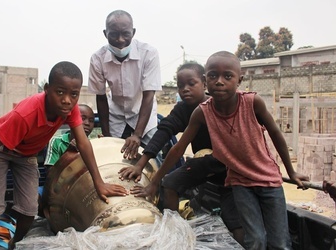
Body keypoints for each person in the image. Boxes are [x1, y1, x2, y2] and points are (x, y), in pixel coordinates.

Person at [0, 61, 127, 250]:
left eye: (73, 94)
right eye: (60, 92)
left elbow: (84, 144)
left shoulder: (69, 109)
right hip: (0, 151)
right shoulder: (26, 113)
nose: (67, 100)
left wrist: (99, 182)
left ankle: (14, 243)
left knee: (29, 210)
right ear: (47, 89)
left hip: (26, 155)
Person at [131, 51, 310, 250]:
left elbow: (276, 134)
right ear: (207, 80)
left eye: (227, 76)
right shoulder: (201, 112)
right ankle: (176, 236)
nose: (219, 82)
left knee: (278, 242)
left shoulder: (252, 103)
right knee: (255, 239)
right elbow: (176, 146)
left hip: (263, 177)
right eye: (213, 76)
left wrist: (290, 171)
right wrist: (154, 180)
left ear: (239, 80)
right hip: (238, 181)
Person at [119, 62, 244, 244]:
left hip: (231, 167)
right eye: (180, 86)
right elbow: (164, 131)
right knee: (170, 183)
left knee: (234, 219)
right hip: (205, 161)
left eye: (191, 84)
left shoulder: (219, 104)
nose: (185, 90)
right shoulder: (183, 109)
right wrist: (141, 164)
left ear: (203, 83)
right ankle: (175, 234)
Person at [88, 9, 162, 160]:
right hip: (116, 116)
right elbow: (101, 98)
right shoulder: (97, 58)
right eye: (114, 34)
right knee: (114, 160)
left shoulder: (149, 53)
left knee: (153, 159)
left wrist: (137, 135)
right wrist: (107, 135)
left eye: (125, 34)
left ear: (133, 32)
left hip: (143, 116)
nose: (120, 39)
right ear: (105, 33)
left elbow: (148, 96)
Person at [44, 104, 96, 169]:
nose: (87, 123)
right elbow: (50, 174)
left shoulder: (94, 144)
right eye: (82, 118)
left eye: (91, 121)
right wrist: (68, 153)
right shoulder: (57, 141)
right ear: (72, 120)